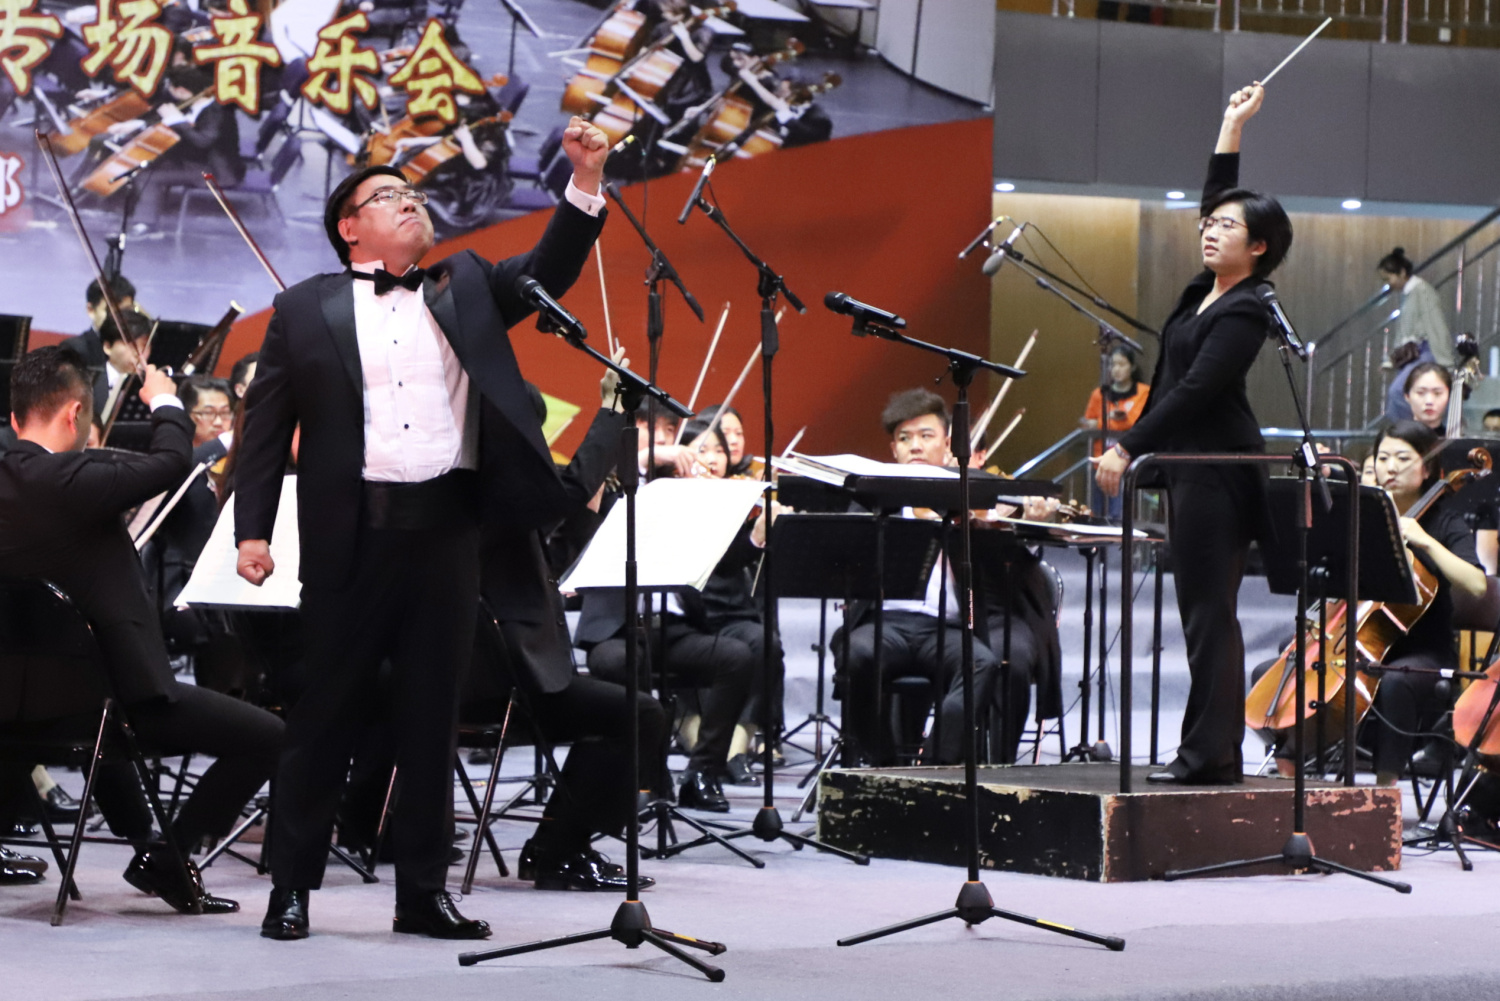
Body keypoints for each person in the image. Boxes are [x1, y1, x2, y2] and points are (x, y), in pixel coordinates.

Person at [233, 116, 612, 941]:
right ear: (349, 226)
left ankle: (422, 893)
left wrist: (584, 181)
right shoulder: (301, 310)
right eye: (388, 195)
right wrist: (251, 530)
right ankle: (290, 888)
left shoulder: (465, 284)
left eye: (413, 193)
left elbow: (550, 269)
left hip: (447, 532)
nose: (410, 201)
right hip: (350, 535)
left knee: (430, 719)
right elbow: (265, 429)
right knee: (323, 714)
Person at [0, 346, 283, 913]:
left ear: (14, 417)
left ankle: (151, 848)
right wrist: (164, 401)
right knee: (272, 738)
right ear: (75, 414)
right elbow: (171, 461)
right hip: (106, 705)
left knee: (100, 713)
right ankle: (167, 859)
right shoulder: (72, 479)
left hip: (18, 709)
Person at [1096, 82, 1292, 786]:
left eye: (1227, 227)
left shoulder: (1247, 310)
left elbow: (1196, 391)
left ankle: (1210, 754)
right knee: (1201, 613)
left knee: (1210, 615)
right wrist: (1232, 124)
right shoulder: (1208, 291)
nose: (1209, 230)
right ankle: (1212, 751)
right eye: (1208, 223)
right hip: (1190, 467)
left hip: (1220, 470)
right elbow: (1217, 191)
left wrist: (1127, 444)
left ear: (1258, 247)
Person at [472, 358, 668, 891]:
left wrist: (587, 500)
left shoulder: (483, 489)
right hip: (502, 685)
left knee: (628, 713)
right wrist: (609, 410)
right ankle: (559, 850)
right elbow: (568, 489)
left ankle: (556, 845)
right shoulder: (491, 491)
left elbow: (547, 552)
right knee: (639, 715)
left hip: (504, 675)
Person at [574, 418, 764, 812]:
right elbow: (599, 488)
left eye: (667, 430)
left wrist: (754, 534)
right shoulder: (616, 484)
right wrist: (647, 458)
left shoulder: (683, 493)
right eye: (653, 429)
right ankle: (648, 773)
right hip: (617, 629)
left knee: (736, 657)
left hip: (675, 627)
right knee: (622, 662)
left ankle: (702, 772)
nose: (664, 438)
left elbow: (721, 563)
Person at [831, 389, 1004, 767]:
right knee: (855, 655)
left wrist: (973, 526)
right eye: (904, 438)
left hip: (946, 627)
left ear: (947, 444)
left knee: (982, 663)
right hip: (885, 623)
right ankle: (883, 762)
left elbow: (997, 571)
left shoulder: (969, 499)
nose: (915, 446)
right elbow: (846, 559)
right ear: (893, 449)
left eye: (926, 436)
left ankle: (936, 764)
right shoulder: (871, 498)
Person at [1365, 421, 1487, 785]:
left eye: (1403, 458)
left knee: (1395, 681)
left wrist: (1425, 541)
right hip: (1365, 640)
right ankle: (1295, 777)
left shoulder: (1445, 521)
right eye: (1383, 457)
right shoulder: (1367, 514)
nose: (1390, 467)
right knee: (1288, 668)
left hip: (1426, 652)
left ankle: (1385, 790)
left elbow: (1477, 584)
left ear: (1428, 468)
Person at [1403, 362, 1451, 434]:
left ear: (1449, 396)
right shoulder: (1394, 439)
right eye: (1421, 393)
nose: (1429, 401)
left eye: (1437, 393)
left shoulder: (1456, 438)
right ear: (1407, 396)